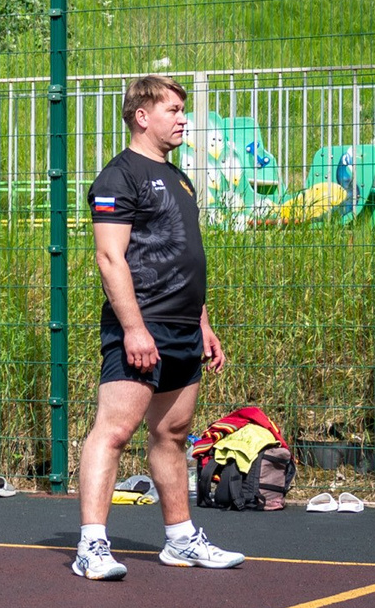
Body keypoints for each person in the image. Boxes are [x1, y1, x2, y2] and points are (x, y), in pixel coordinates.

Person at [72, 74, 245, 581]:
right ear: (141, 116)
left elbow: (189, 258)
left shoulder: (180, 177)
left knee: (172, 432)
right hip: (141, 324)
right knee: (116, 430)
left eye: (181, 110)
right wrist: (133, 328)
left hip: (182, 327)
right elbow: (109, 258)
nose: (183, 118)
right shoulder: (118, 177)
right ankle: (91, 546)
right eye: (172, 109)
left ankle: (180, 540)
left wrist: (203, 324)